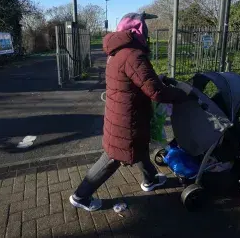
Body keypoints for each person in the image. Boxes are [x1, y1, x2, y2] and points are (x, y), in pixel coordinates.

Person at [69, 12, 188, 212]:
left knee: (139, 148)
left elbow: (133, 81)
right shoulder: (133, 54)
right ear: (138, 31)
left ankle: (150, 180)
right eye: (145, 31)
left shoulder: (117, 52)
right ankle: (81, 195)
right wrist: (182, 94)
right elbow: (156, 91)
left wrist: (156, 78)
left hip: (122, 113)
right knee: (114, 156)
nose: (147, 35)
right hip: (128, 118)